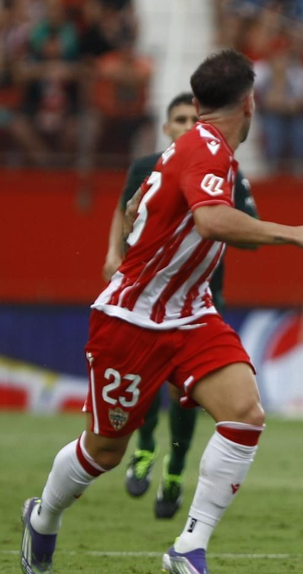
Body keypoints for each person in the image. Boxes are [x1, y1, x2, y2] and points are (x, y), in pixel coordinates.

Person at [19, 50, 303, 574]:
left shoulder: (209, 154)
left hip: (190, 313)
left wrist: (251, 231)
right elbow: (211, 220)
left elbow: (218, 228)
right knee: (104, 450)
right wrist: (296, 234)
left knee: (245, 415)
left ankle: (189, 547)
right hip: (131, 319)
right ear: (251, 102)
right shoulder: (207, 149)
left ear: (197, 104)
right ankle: (43, 515)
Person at [104, 93, 259, 518]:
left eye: (194, 117)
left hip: (200, 296)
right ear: (166, 128)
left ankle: (173, 468)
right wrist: (111, 255)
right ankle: (147, 446)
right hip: (149, 294)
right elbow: (124, 210)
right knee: (146, 381)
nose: (189, 124)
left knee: (185, 391)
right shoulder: (146, 166)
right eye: (179, 119)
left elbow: (245, 221)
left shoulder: (226, 169)